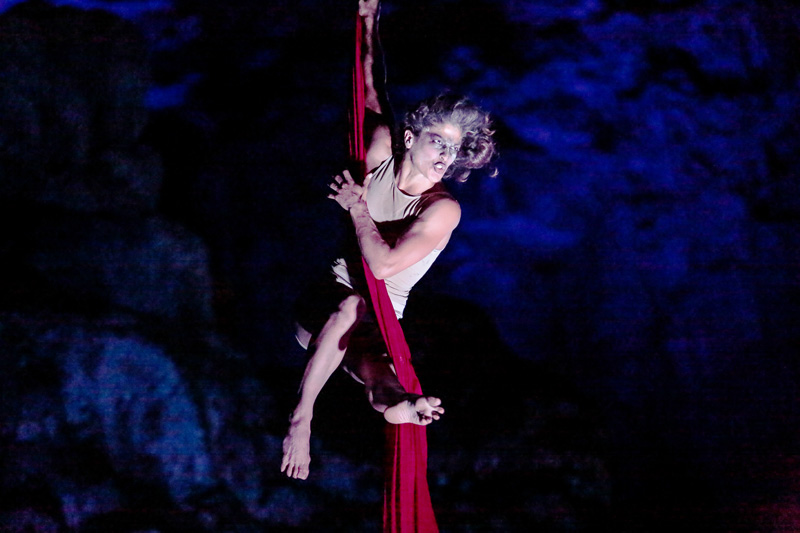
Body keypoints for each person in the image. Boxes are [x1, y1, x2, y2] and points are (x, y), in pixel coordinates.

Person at [281, 0, 496, 480]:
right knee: (350, 305)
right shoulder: (379, 147)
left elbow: (382, 266)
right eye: (438, 141)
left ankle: (402, 407)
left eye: (454, 149)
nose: (446, 155)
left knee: (383, 377)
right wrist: (368, 21)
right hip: (322, 307)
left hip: (380, 321)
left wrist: (357, 208)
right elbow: (371, 84)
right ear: (410, 139)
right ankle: (301, 417)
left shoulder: (442, 209)